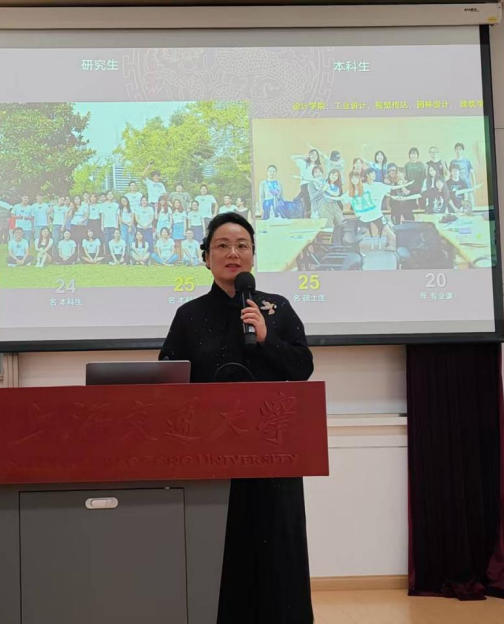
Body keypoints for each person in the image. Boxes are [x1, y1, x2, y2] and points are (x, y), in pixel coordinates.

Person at [159, 212, 314, 624]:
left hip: (273, 453)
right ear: (205, 257)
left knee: (276, 547)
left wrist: (266, 338)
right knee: (219, 546)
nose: (233, 253)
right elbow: (168, 377)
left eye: (242, 245)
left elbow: (302, 367)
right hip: (210, 453)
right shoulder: (189, 315)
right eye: (223, 245)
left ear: (253, 255)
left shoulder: (276, 309)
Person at [291, 148, 321, 216]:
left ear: (317, 157)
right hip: (305, 184)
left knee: (303, 198)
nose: (313, 156)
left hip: (314, 185)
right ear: (309, 155)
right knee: (308, 198)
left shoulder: (317, 167)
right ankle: (309, 212)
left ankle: (308, 213)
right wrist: (302, 156)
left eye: (315, 155)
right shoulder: (304, 163)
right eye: (312, 154)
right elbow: (292, 157)